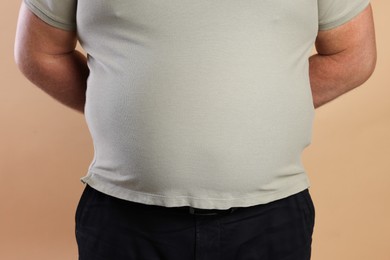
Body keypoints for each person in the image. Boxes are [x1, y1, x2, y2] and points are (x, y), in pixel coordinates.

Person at [14, 0, 376, 259]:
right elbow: (40, 52)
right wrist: (119, 110)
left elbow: (353, 54)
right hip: (125, 218)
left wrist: (269, 106)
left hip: (269, 217)